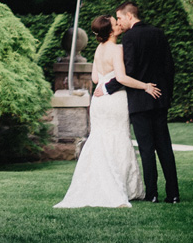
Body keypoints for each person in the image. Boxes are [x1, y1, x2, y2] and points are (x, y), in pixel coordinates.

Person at [53, 14, 155, 208]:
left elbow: (94, 79)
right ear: (109, 31)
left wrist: (105, 81)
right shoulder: (117, 49)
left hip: (99, 103)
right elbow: (122, 78)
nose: (119, 25)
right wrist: (145, 86)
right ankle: (120, 187)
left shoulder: (99, 49)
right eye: (116, 23)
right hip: (114, 100)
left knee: (100, 140)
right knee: (118, 138)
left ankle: (101, 184)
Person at [107, 1, 180, 203]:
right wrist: (166, 95)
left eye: (120, 18)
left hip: (139, 100)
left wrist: (108, 86)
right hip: (159, 100)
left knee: (146, 148)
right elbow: (169, 67)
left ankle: (152, 193)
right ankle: (173, 193)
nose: (119, 23)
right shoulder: (159, 33)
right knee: (164, 146)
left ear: (129, 16)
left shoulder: (130, 37)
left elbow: (129, 70)